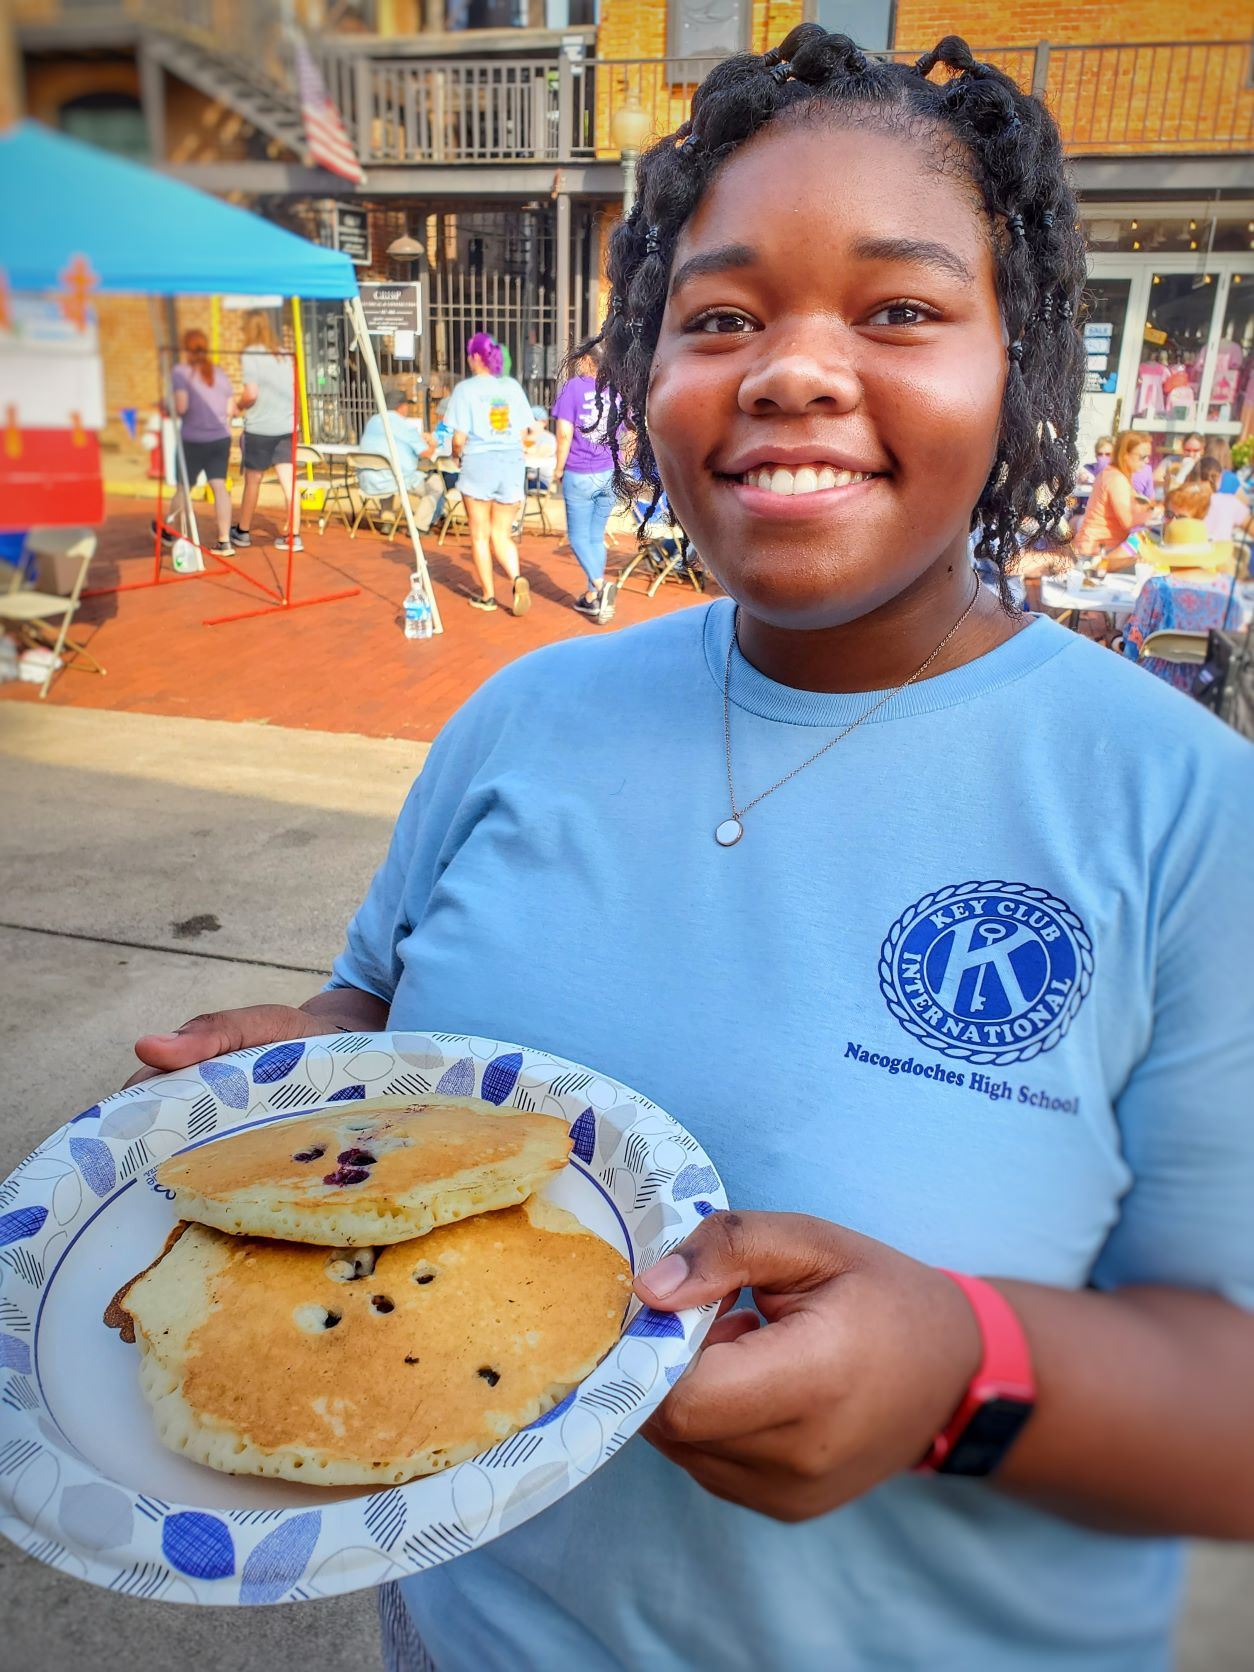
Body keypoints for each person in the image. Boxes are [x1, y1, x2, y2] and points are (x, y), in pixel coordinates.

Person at [126, 29, 1254, 1672]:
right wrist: (299, 1077)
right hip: (468, 1632)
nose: (786, 370)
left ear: (1018, 366)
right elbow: (385, 1024)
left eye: (897, 309)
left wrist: (966, 1368)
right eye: (716, 317)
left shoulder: (1181, 809)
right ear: (641, 377)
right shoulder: (518, 720)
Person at [444, 332, 536, 614]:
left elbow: (458, 438)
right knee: (502, 534)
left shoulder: (465, 390)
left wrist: (455, 456)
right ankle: (516, 577)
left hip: (478, 463)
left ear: (474, 358)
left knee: (479, 534)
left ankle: (488, 596)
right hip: (510, 463)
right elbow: (524, 432)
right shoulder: (511, 387)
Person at [1120, 486, 1243, 692]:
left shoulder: (1157, 589)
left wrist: (1115, 641)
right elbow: (1233, 648)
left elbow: (1133, 648)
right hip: (1211, 691)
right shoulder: (1229, 589)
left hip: (1156, 689)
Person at [553, 347, 620, 622]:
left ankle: (600, 586)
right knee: (595, 537)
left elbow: (563, 434)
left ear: (585, 360)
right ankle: (594, 598)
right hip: (608, 472)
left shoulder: (574, 387)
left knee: (578, 537)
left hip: (580, 472)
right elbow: (623, 432)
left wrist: (557, 468)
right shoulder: (615, 391)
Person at [231, 311, 300, 553]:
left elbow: (251, 392)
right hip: (285, 425)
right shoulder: (284, 354)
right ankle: (294, 535)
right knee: (289, 482)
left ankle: (243, 531)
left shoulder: (251, 354)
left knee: (253, 480)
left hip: (260, 426)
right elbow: (294, 388)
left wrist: (237, 406)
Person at [166, 328, 236, 559]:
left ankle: (172, 532)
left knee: (184, 488)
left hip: (193, 440)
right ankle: (225, 541)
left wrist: (168, 406)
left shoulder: (181, 372)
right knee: (219, 486)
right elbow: (230, 409)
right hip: (220, 438)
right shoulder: (218, 373)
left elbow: (182, 407)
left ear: (186, 349)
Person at [358, 390, 445, 536]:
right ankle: (419, 526)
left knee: (386, 469)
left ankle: (388, 520)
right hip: (395, 480)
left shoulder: (372, 421)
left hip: (368, 480)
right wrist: (432, 442)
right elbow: (426, 453)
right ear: (402, 406)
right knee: (436, 484)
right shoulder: (404, 425)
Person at [1072, 428, 1154, 561]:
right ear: (1125, 455)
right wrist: (1156, 514)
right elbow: (1128, 521)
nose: (1146, 461)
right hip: (1096, 551)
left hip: (1099, 548)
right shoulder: (1116, 479)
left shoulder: (1116, 475)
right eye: (1142, 457)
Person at [1198, 454, 1252, 547]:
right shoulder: (1229, 502)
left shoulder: (1183, 499)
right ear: (1220, 478)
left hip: (1189, 556)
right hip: (1220, 556)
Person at [1154, 429, 1204, 493]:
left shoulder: (1204, 466)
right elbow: (1154, 480)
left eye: (1195, 451)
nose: (1191, 455)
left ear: (1202, 451)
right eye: (1188, 450)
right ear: (1182, 448)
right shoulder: (1171, 460)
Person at [524, 403, 558, 490]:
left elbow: (541, 455)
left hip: (541, 480)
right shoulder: (526, 437)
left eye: (534, 419)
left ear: (544, 422)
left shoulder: (549, 438)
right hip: (526, 478)